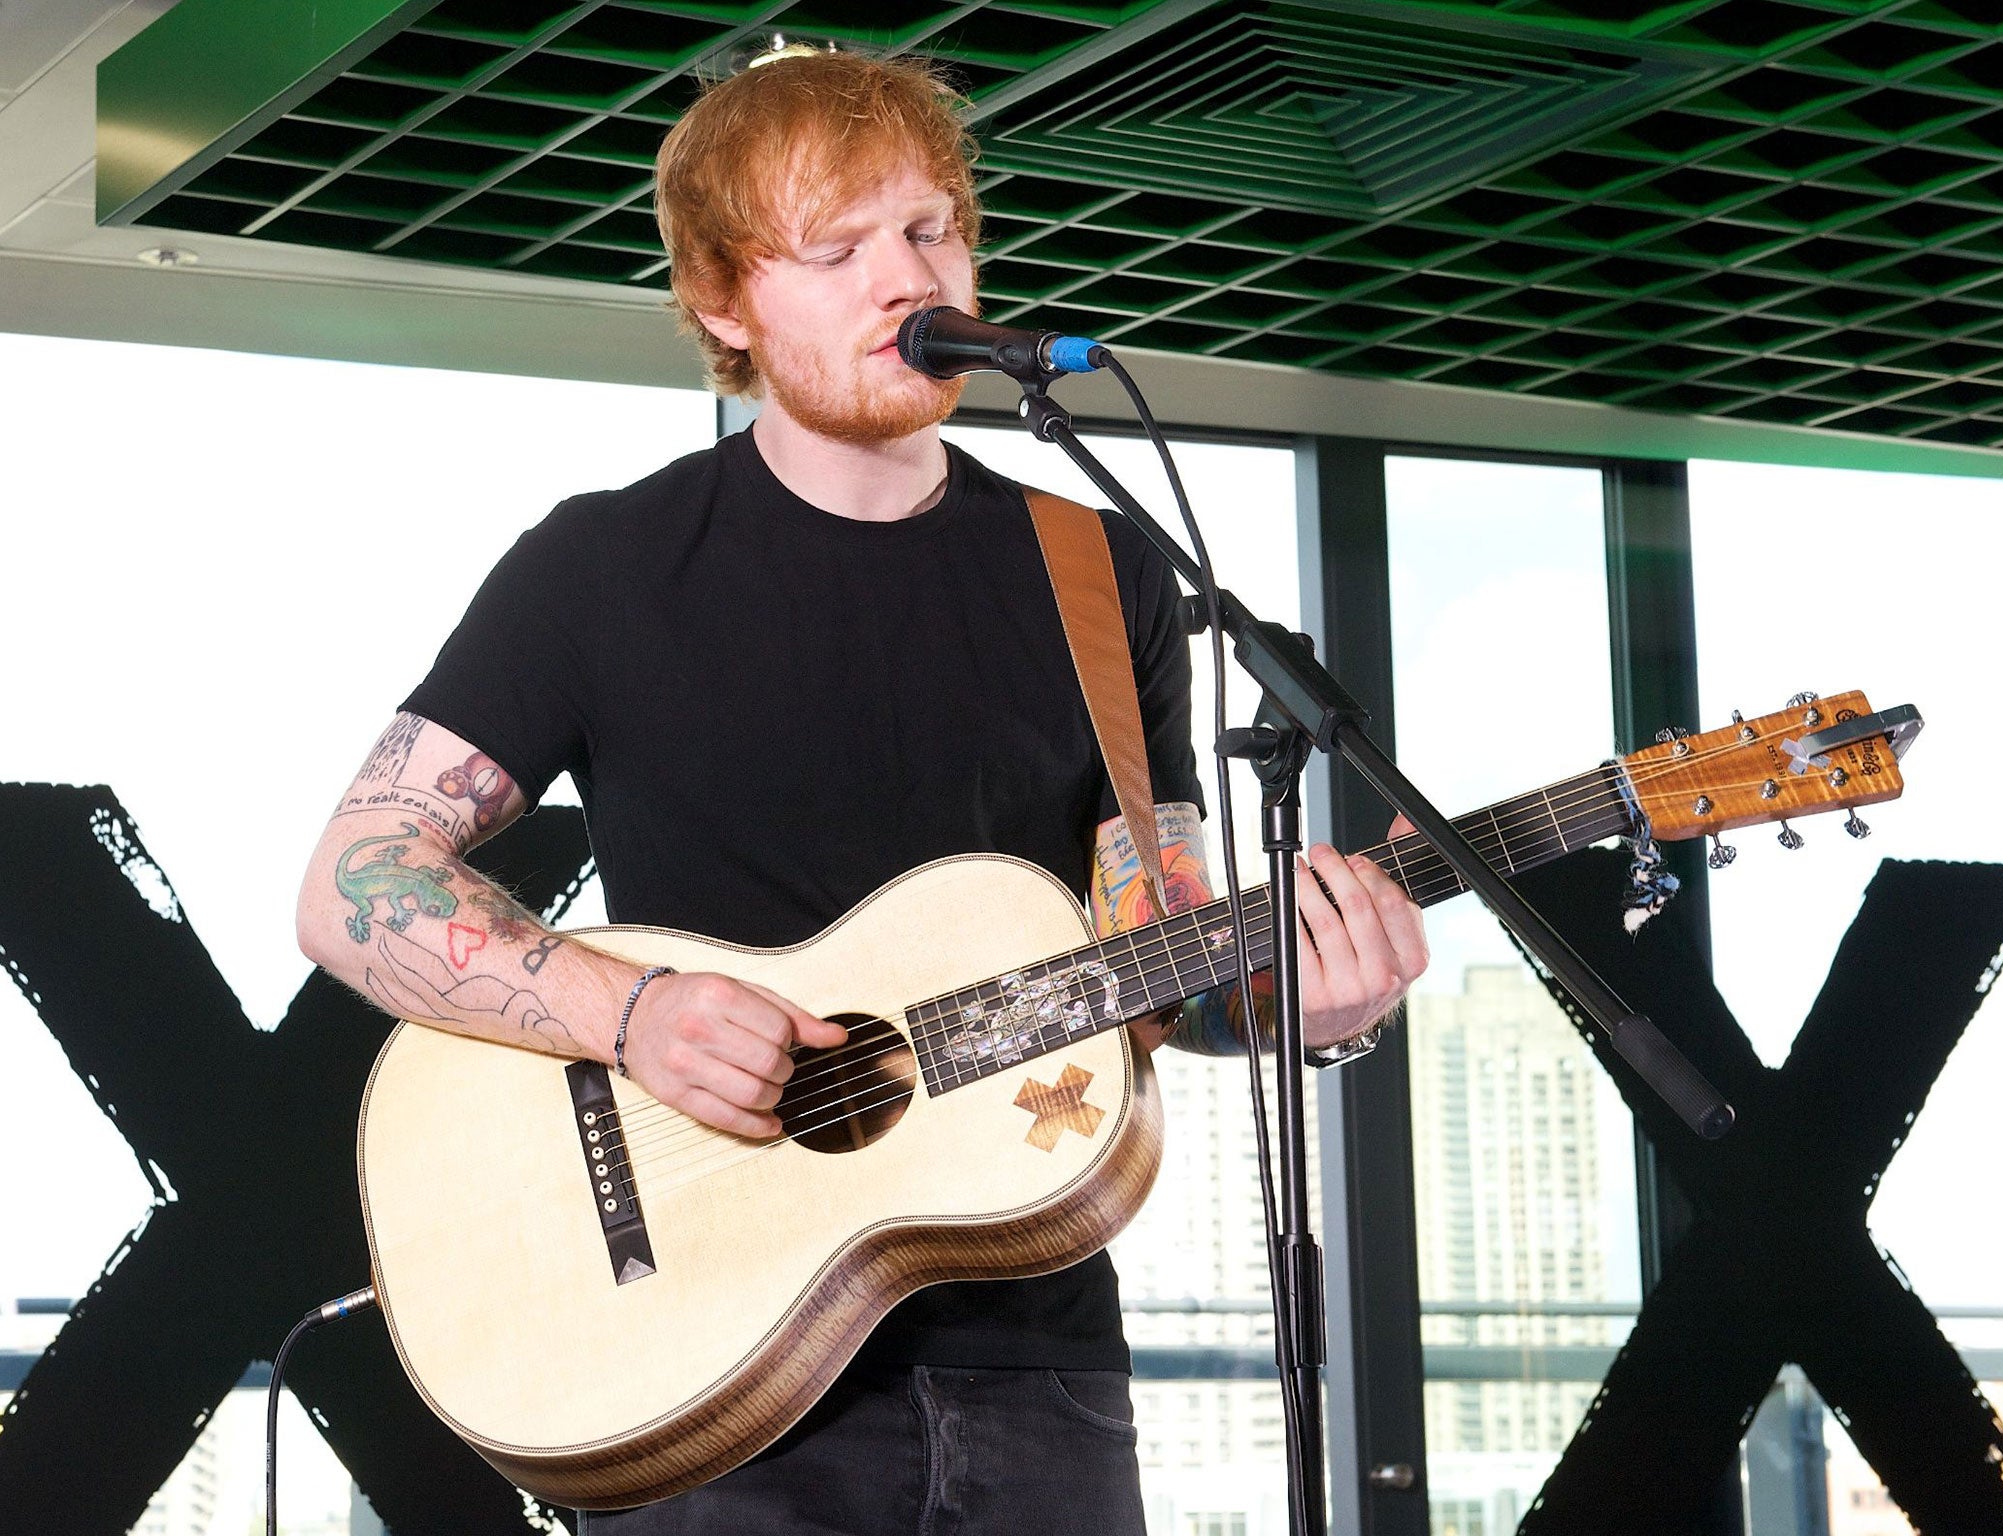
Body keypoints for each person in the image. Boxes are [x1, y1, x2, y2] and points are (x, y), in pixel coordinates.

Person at [295, 47, 1427, 1535]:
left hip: (1044, 1377)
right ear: (723, 302)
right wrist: (626, 1014)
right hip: (711, 1366)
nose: (907, 277)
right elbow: (354, 880)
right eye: (836, 248)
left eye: (931, 229)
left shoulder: (1103, 573)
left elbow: (1160, 953)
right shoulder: (605, 568)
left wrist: (1307, 1006)